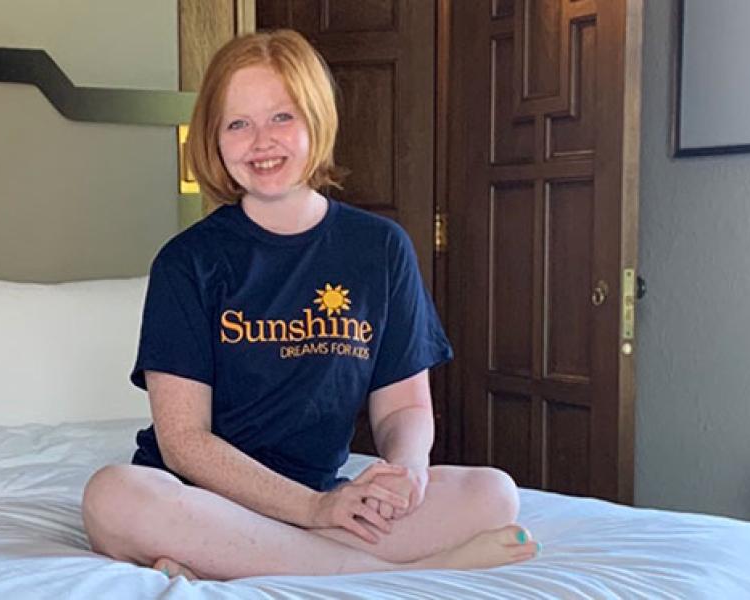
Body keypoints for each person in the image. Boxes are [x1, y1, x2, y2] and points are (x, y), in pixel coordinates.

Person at [82, 29, 537, 581]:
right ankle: (387, 571)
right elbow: (184, 444)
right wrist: (311, 511)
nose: (261, 141)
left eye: (282, 117)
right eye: (237, 123)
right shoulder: (188, 262)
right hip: (205, 501)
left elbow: (403, 409)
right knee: (113, 497)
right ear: (215, 140)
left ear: (317, 120)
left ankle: (248, 562)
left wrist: (406, 470)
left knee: (493, 494)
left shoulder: (379, 248)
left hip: (323, 498)